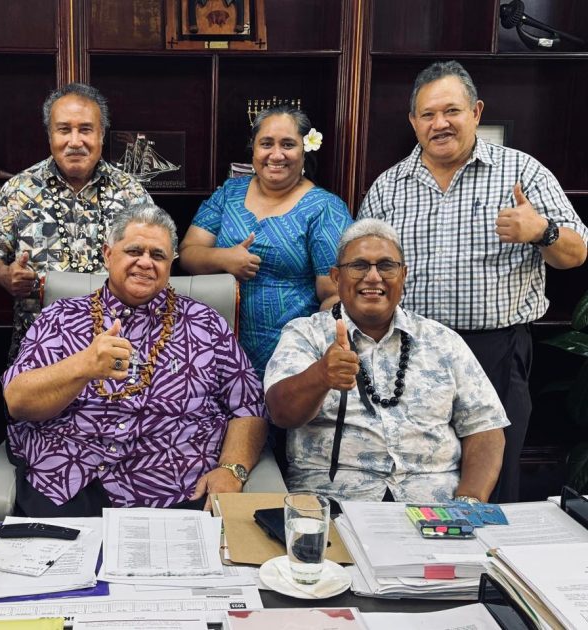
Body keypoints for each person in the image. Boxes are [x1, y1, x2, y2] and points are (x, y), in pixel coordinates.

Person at [359, 61, 588, 502]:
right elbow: (365, 270)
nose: (439, 124)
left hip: (495, 352)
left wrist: (542, 232)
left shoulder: (523, 173)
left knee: (492, 481)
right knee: (416, 476)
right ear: (413, 122)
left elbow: (576, 254)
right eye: (427, 115)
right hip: (410, 355)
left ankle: (486, 568)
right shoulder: (388, 187)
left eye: (452, 111)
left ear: (477, 112)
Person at [2, 203, 267, 517]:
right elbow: (17, 401)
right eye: (134, 251)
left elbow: (249, 406)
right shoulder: (60, 318)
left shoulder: (205, 323)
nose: (145, 263)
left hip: (174, 486)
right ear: (108, 254)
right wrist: (83, 366)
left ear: (171, 264)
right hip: (67, 480)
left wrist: (232, 469)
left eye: (158, 255)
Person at [265, 219, 509, 503]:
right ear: (336, 277)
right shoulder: (305, 334)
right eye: (358, 266)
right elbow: (280, 413)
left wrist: (469, 501)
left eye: (386, 266)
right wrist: (319, 376)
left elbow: (485, 428)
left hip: (437, 504)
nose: (373, 277)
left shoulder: (443, 341)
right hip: (335, 504)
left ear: (403, 275)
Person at [0, 83, 152, 362]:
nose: (75, 141)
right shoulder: (18, 190)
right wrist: (4, 275)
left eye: (85, 129)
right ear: (49, 135)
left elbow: (155, 259)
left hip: (117, 345)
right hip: (38, 347)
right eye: (64, 129)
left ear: (101, 135)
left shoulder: (131, 193)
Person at [179, 104, 352, 381]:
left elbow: (335, 294)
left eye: (288, 144)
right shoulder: (229, 194)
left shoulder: (325, 209)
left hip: (291, 358)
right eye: (266, 144)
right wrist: (223, 259)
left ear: (305, 149)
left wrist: (322, 355)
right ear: (254, 149)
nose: (276, 155)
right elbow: (187, 254)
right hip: (216, 349)